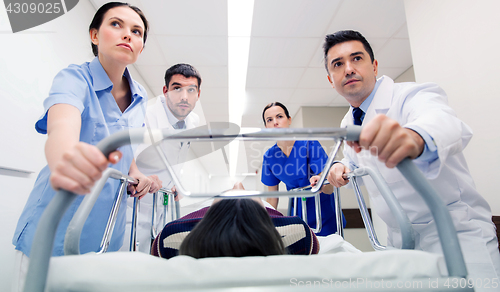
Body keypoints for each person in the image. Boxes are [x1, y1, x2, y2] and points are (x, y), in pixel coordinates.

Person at [324, 30, 500, 281]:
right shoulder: (348, 122)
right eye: (338, 64)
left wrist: (414, 137)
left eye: (357, 59)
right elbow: (358, 164)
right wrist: (340, 167)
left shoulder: (412, 96)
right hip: (400, 240)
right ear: (331, 79)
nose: (349, 69)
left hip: (454, 232)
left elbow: (444, 123)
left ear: (374, 66)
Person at [11, 2, 160, 291]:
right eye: (116, 24)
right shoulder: (74, 78)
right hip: (53, 233)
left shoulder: (140, 96)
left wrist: (136, 172)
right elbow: (62, 126)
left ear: (141, 48)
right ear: (94, 35)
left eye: (137, 31)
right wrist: (67, 158)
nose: (128, 34)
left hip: (105, 238)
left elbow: (125, 145)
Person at [122, 63, 202, 253]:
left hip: (163, 203)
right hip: (133, 206)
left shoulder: (193, 121)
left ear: (198, 94)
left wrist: (176, 182)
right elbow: (122, 155)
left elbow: (175, 155)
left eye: (191, 90)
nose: (184, 97)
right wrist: (141, 176)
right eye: (177, 88)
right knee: (127, 264)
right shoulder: (145, 116)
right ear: (165, 91)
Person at [151, 183, 319, 259]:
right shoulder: (296, 233)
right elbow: (311, 243)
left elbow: (158, 247)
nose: (238, 185)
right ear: (262, 212)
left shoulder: (175, 235)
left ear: (211, 213)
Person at [260, 102, 344, 237]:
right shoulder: (269, 156)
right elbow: (272, 198)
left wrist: (321, 183)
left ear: (289, 120)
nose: (275, 122)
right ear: (266, 126)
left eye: (279, 116)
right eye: (269, 120)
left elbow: (328, 186)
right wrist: (264, 224)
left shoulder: (308, 143)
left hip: (323, 210)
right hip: (297, 212)